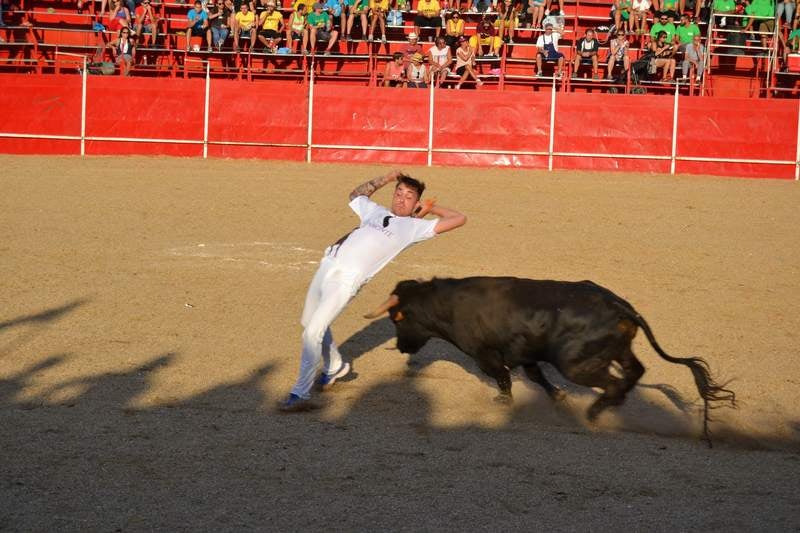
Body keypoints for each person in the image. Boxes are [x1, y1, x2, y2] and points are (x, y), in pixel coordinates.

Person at [279, 170, 467, 411]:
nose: (401, 199)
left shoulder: (413, 228)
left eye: (408, 196)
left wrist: (431, 208)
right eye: (398, 193)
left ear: (416, 203)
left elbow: (459, 218)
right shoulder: (375, 211)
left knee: (312, 332)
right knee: (309, 323)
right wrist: (387, 178)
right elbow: (355, 195)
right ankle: (335, 366)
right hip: (327, 267)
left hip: (347, 281)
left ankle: (300, 392)